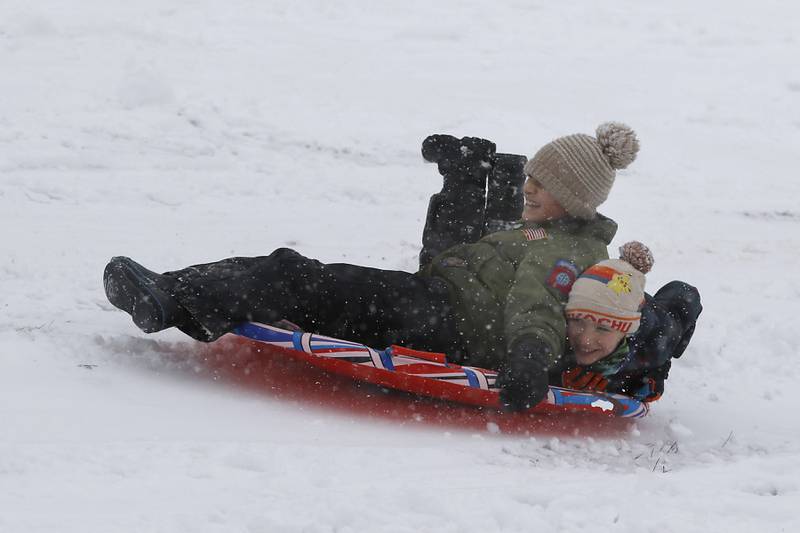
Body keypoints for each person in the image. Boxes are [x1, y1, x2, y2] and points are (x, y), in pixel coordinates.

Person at [103, 122, 641, 411]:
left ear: (573, 199)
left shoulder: (564, 252)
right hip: (434, 301)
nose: (530, 188)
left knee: (302, 278)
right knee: (309, 280)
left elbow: (539, 306)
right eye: (530, 177)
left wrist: (527, 358)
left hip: (444, 322)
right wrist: (460, 189)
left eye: (542, 185)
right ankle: (181, 292)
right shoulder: (539, 231)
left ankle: (172, 298)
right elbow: (460, 256)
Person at [552, 241, 702, 401]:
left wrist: (657, 372)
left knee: (682, 299)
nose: (585, 340)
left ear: (626, 331)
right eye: (578, 322)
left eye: (603, 328)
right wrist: (555, 376)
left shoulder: (655, 340)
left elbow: (686, 294)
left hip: (650, 313)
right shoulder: (556, 328)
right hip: (615, 294)